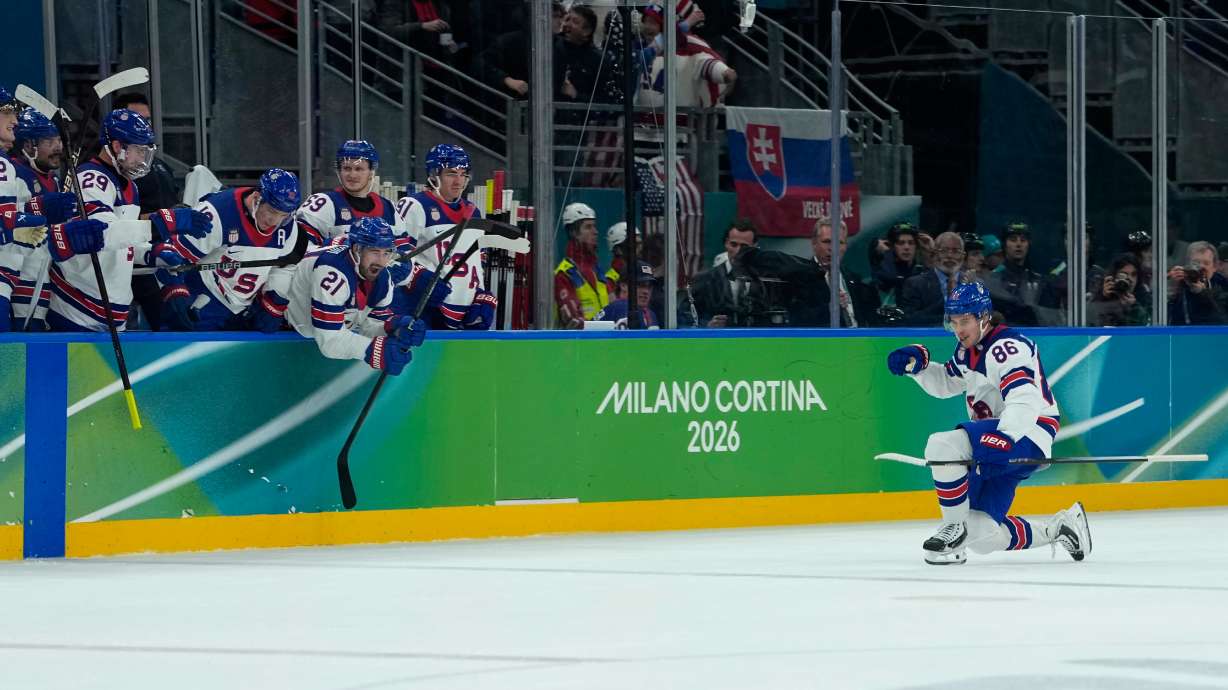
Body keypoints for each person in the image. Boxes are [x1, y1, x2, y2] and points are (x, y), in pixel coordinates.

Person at [885, 282, 1090, 565]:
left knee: (942, 445)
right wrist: (916, 368)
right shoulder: (966, 351)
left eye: (965, 321)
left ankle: (952, 529)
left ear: (984, 317)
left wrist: (1003, 438)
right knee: (981, 535)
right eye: (954, 322)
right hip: (1000, 440)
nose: (959, 329)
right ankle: (1059, 528)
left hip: (1025, 433)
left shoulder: (1006, 347)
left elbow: (1024, 398)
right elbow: (946, 383)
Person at [46, 109, 210, 332]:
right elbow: (101, 235)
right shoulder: (92, 179)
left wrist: (150, 253)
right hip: (77, 313)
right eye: (138, 151)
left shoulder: (130, 186)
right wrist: (159, 224)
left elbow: (122, 246)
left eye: (146, 151)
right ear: (116, 147)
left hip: (112, 316)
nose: (143, 158)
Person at [154, 168, 307, 331]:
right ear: (257, 197)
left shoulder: (289, 228)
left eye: (283, 215)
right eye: (271, 211)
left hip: (244, 311)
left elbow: (283, 266)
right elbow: (171, 254)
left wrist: (272, 301)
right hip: (203, 300)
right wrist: (175, 291)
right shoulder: (217, 213)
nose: (274, 221)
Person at [285, 218, 428, 374]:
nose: (381, 261)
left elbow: (365, 326)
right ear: (357, 249)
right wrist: (375, 352)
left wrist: (392, 328)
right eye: (374, 252)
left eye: (386, 253)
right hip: (285, 328)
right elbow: (330, 342)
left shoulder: (383, 280)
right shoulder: (332, 272)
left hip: (312, 332)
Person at [394, 143, 494, 330]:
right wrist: (418, 279)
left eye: (463, 174)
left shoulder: (474, 212)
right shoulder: (414, 205)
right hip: (421, 311)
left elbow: (477, 263)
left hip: (464, 315)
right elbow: (395, 257)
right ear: (433, 175)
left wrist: (482, 295)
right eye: (450, 173)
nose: (458, 181)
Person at [1, 107, 80, 330]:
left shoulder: (52, 180)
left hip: (42, 281)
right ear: (28, 145)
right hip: (16, 280)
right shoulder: (14, 173)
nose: (58, 147)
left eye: (59, 140)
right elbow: (11, 219)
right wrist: (39, 208)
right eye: (49, 141)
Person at [299, 140, 408, 250]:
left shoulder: (389, 209)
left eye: (359, 169)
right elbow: (302, 250)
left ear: (371, 172)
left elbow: (404, 252)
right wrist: (332, 250)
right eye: (347, 168)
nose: (352, 175)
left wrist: (404, 263)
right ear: (339, 171)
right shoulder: (323, 203)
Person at [689, 219, 756, 327]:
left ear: (754, 247)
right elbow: (684, 317)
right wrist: (707, 326)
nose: (738, 251)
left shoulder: (765, 279)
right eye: (733, 244)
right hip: (717, 342)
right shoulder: (705, 279)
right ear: (726, 244)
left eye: (744, 247)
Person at [554, 201, 609, 328]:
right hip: (580, 343)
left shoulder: (597, 268)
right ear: (573, 232)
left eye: (594, 226)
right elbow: (573, 321)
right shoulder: (564, 274)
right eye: (588, 227)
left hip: (606, 340)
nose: (595, 232)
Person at [899, 232, 966, 327]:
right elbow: (910, 319)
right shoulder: (915, 284)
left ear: (963, 257)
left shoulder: (976, 283)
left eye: (956, 251)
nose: (950, 256)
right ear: (935, 254)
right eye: (944, 251)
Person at [984, 222, 1043, 326]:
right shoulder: (991, 281)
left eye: (1023, 240)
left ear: (1029, 245)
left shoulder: (1039, 281)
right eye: (1013, 239)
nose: (1018, 244)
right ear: (1004, 245)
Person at [1167, 241, 1228, 325]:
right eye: (1196, 263)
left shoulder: (1223, 286)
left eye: (1206, 263)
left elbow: (1222, 321)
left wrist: (1202, 293)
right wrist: (1170, 289)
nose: (1201, 267)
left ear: (1215, 267)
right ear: (1187, 264)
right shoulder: (1178, 284)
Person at [870, 221, 925, 303]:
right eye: (901, 243)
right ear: (892, 246)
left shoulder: (923, 273)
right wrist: (886, 252)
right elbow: (890, 277)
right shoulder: (884, 275)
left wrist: (931, 252)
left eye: (911, 243)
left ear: (916, 246)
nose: (906, 247)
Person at [1088, 253, 1149, 327]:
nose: (1130, 279)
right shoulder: (1099, 296)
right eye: (1123, 275)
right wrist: (1103, 298)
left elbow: (1145, 329)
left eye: (1134, 274)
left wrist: (1133, 308)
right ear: (1113, 277)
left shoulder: (1144, 298)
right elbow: (1089, 323)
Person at [595, 260, 659, 329]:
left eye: (649, 286)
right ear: (623, 285)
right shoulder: (622, 308)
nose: (646, 291)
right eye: (640, 285)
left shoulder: (650, 313)